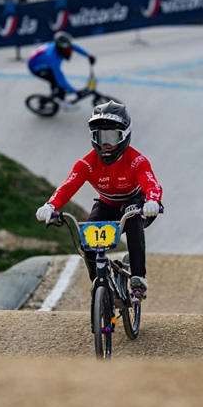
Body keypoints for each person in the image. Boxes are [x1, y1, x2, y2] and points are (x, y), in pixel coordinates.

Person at [35, 101, 163, 302]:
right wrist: (50, 205)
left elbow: (152, 184)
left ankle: (138, 277)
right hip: (107, 205)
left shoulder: (137, 160)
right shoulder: (86, 163)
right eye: (100, 137)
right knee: (87, 236)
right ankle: (98, 284)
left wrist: (153, 201)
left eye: (112, 137)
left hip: (136, 203)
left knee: (131, 215)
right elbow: (68, 186)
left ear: (124, 136)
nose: (106, 144)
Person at [27, 31, 96, 108]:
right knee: (57, 81)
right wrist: (74, 91)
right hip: (35, 67)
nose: (69, 52)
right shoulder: (53, 58)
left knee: (57, 82)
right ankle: (61, 101)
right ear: (60, 49)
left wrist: (88, 55)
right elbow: (60, 79)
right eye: (67, 51)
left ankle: (56, 94)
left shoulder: (62, 45)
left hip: (40, 59)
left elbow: (74, 47)